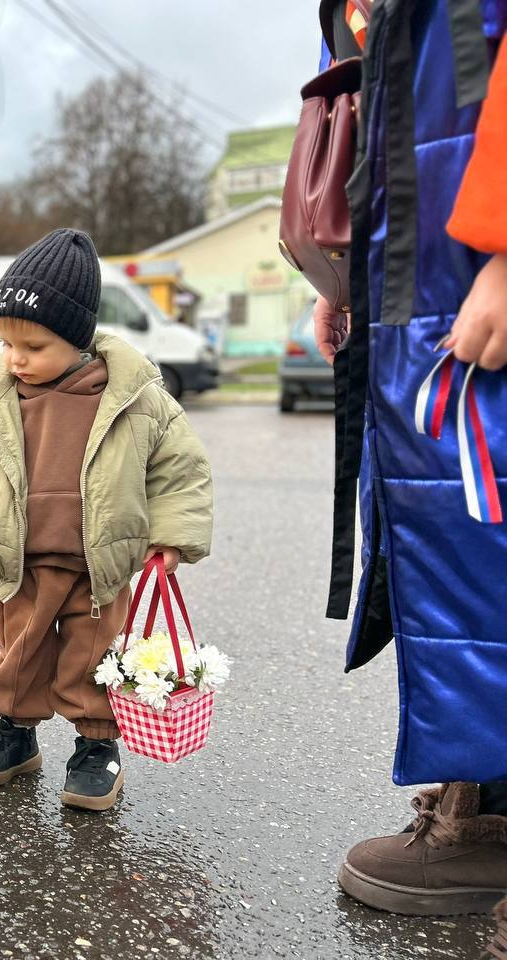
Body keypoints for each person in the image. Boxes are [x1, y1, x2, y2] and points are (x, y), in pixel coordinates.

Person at [308, 1, 507, 949]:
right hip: (411, 288)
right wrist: (335, 262)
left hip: (474, 265)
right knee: (460, 543)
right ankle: (488, 812)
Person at [0, 229, 214, 811]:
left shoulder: (135, 396)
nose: (14, 358)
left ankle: (97, 746)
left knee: (93, 658)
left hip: (98, 567)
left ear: (77, 341)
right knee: (19, 651)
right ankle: (14, 733)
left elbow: (181, 469)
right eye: (3, 342)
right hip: (19, 558)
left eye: (32, 346)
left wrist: (172, 537)